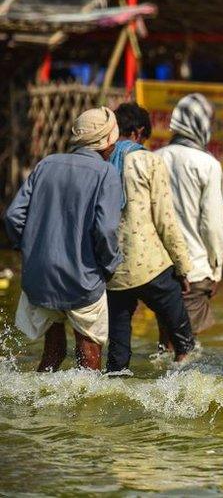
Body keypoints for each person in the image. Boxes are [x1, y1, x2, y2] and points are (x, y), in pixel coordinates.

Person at [4, 107, 122, 371]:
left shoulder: (46, 164)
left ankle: (37, 407)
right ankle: (86, 411)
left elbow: (13, 217)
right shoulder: (106, 174)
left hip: (40, 278)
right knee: (89, 358)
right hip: (82, 280)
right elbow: (105, 231)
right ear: (106, 142)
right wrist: (110, 265)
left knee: (52, 353)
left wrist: (29, 250)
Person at [104, 103, 196, 372]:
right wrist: (183, 268)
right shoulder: (148, 161)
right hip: (152, 268)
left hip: (113, 271)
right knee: (184, 343)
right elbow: (166, 220)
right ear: (139, 132)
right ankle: (180, 395)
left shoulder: (101, 162)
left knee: (117, 354)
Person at [155, 94, 223, 342]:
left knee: (166, 342)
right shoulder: (207, 164)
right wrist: (215, 269)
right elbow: (213, 225)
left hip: (158, 269)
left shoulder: (155, 157)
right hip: (194, 269)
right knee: (185, 347)